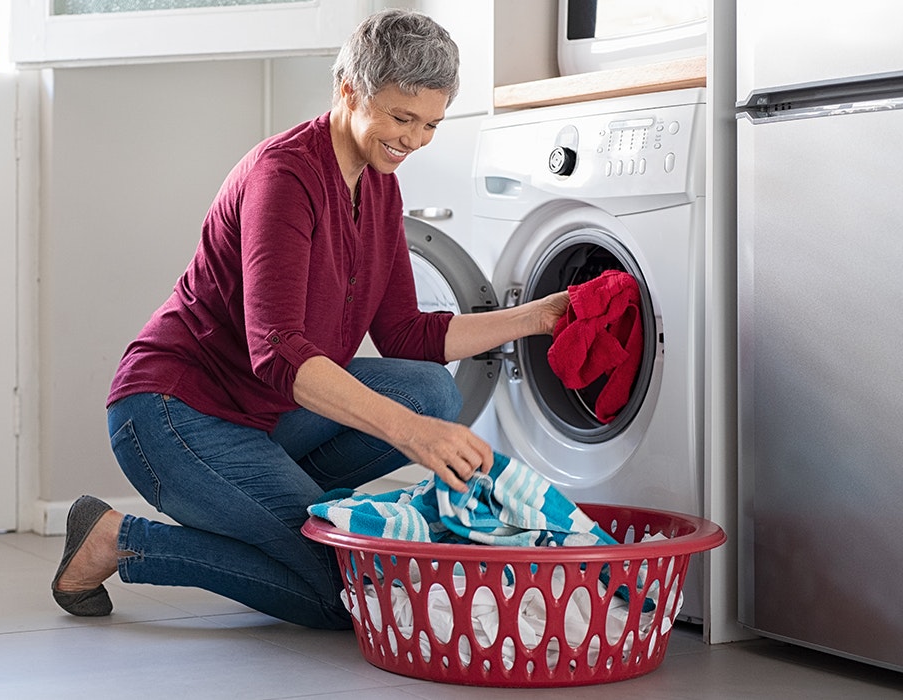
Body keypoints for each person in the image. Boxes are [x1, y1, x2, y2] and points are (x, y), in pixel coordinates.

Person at [51, 8, 569, 630]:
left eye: (430, 124)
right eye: (401, 118)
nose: (413, 140)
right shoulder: (284, 176)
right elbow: (278, 352)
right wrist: (411, 434)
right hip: (175, 413)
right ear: (349, 90)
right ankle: (119, 539)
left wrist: (539, 316)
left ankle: (274, 510)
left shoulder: (379, 186)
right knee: (348, 593)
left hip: (267, 415)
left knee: (432, 391)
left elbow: (406, 333)